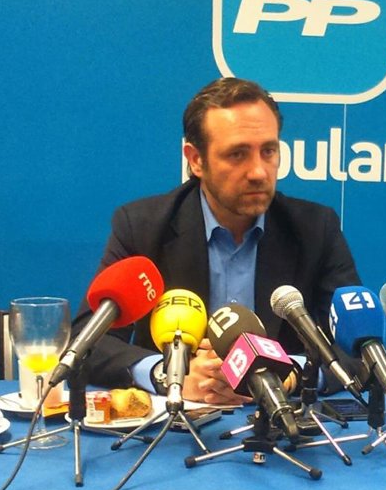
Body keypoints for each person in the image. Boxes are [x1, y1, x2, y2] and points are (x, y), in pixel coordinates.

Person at [79, 77, 360, 404]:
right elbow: (87, 344)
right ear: (196, 159)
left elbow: (360, 349)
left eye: (268, 151)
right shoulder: (143, 227)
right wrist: (168, 375)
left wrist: (287, 375)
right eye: (237, 154)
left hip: (277, 421)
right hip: (179, 421)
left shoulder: (315, 228)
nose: (258, 172)